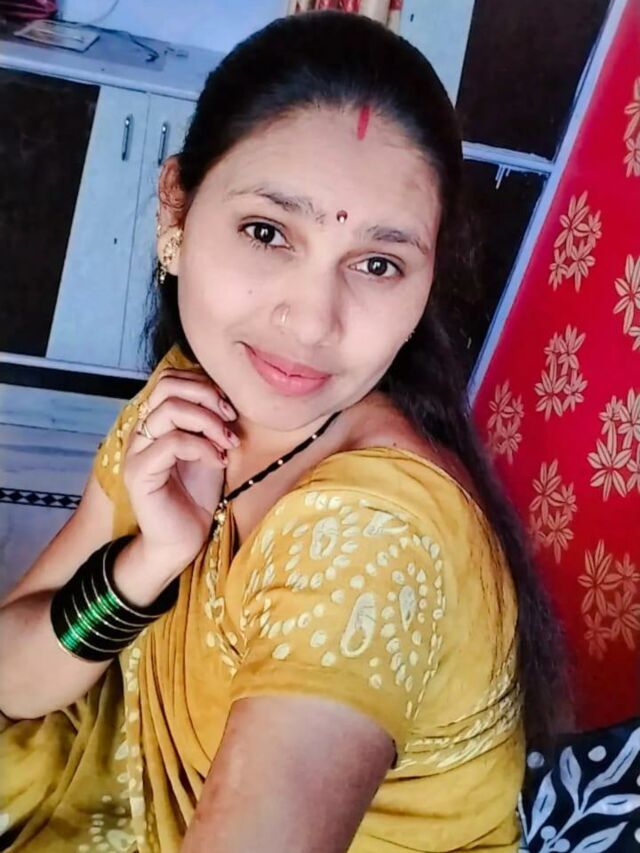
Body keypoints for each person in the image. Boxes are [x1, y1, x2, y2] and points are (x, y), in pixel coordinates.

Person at [0, 10, 568, 852]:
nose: (310, 323)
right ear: (176, 206)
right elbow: (13, 677)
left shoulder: (371, 542)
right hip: (108, 780)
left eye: (378, 263)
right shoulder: (198, 394)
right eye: (267, 232)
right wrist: (147, 563)